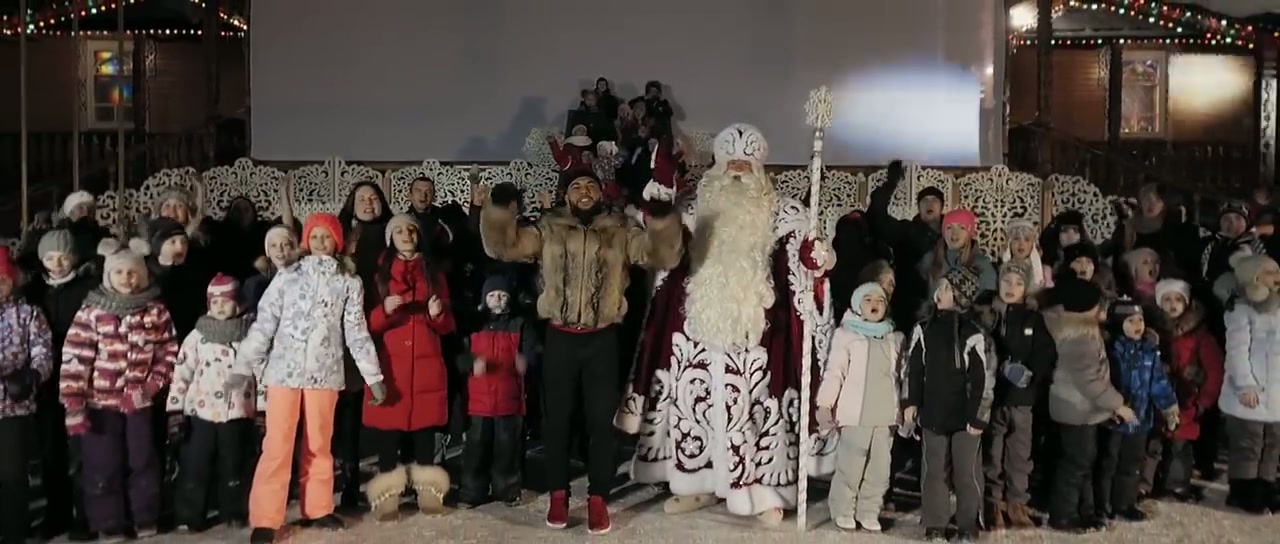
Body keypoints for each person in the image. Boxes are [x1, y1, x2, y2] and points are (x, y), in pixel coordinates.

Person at [616, 123, 836, 526]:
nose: (737, 172)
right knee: (693, 405)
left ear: (760, 170)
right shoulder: (691, 208)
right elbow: (662, 250)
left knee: (753, 413)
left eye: (745, 166)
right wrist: (660, 197)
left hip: (757, 335)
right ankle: (694, 482)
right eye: (730, 164)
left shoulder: (785, 213)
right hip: (697, 331)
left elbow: (805, 270)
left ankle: (765, 492)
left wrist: (816, 261)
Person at [480, 163, 683, 534]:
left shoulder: (620, 228)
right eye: (577, 186)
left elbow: (662, 256)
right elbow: (503, 247)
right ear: (566, 194)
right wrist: (499, 210)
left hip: (602, 341)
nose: (585, 190)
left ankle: (597, 498)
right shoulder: (548, 228)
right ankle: (558, 495)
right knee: (557, 422)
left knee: (601, 424)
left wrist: (661, 221)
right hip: (560, 339)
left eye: (591, 184)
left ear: (600, 192)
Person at [228, 213, 389, 544]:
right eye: (314, 236)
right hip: (283, 372)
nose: (320, 242)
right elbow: (265, 322)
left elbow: (356, 332)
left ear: (337, 242)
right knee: (277, 443)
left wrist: (373, 375)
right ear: (305, 241)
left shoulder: (349, 282)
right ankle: (266, 517)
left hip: (324, 373)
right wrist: (244, 364)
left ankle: (318, 507)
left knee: (319, 443)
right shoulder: (289, 275)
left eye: (326, 237)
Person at [60, 238, 179, 541]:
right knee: (102, 464)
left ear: (144, 274)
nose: (127, 278)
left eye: (133, 272)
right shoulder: (92, 312)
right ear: (108, 276)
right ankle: (108, 521)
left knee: (142, 460)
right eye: (119, 273)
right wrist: (74, 403)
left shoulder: (155, 311)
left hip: (138, 401)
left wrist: (150, 386)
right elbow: (75, 357)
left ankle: (144, 515)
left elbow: (168, 353)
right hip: (99, 404)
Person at [362, 214, 454, 521]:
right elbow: (366, 324)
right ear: (390, 238)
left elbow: (448, 325)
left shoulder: (433, 272)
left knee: (424, 436)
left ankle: (427, 493)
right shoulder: (380, 274)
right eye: (399, 230)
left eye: (411, 229)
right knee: (389, 437)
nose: (406, 234)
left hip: (426, 363)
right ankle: (388, 498)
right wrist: (384, 311)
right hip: (393, 364)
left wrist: (437, 314)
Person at [903, 267, 993, 543]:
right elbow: (913, 370)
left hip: (965, 418)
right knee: (934, 471)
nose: (938, 292)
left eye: (946, 288)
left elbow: (983, 378)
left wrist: (979, 416)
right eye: (939, 287)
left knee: (966, 473)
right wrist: (911, 402)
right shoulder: (923, 329)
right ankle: (935, 524)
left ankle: (968, 524)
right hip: (933, 413)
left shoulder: (973, 333)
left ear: (960, 296)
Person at [165, 274, 257, 531]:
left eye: (226, 301)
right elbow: (182, 373)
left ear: (238, 303)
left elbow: (262, 374)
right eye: (215, 302)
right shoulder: (197, 336)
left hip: (237, 411)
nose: (220, 307)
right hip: (201, 411)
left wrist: (263, 410)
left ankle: (233, 510)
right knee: (196, 464)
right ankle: (190, 514)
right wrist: (175, 409)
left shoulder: (250, 336)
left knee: (234, 464)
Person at [23, 229, 98, 540]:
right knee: (51, 452)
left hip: (81, 380)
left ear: (73, 258)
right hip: (46, 383)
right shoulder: (33, 291)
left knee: (83, 450)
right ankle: (57, 513)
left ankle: (86, 514)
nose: (57, 264)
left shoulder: (88, 289)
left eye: (63, 257)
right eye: (51, 258)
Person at [1044, 277, 1133, 533]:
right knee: (1076, 462)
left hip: (1083, 409)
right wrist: (1117, 405)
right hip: (1076, 409)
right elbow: (1090, 381)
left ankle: (1084, 510)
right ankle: (1063, 514)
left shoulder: (1082, 330)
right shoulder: (1078, 338)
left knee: (1083, 461)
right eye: (1098, 305)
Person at [816, 282, 902, 532]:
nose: (875, 304)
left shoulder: (894, 338)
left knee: (880, 469)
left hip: (884, 415)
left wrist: (904, 408)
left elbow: (900, 374)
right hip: (856, 414)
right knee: (851, 467)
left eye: (880, 300)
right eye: (868, 300)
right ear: (857, 306)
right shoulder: (847, 336)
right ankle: (843, 509)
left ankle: (869, 510)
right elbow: (835, 372)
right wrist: (825, 404)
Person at [977, 262, 1055, 530]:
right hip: (994, 398)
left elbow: (1045, 352)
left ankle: (1016, 503)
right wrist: (999, 367)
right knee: (992, 454)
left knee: (1020, 456)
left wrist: (1031, 373)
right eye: (1006, 281)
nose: (1011, 287)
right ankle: (992, 504)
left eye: (1018, 283)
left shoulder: (1033, 319)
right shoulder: (987, 316)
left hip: (1022, 399)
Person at [456, 275, 537, 509]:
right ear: (484, 299)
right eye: (492, 295)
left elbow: (534, 350)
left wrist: (527, 360)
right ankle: (471, 492)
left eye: (502, 295)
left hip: (509, 401)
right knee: (475, 450)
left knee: (507, 450)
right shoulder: (473, 325)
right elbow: (459, 356)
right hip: (477, 403)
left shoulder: (520, 324)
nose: (497, 300)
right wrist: (470, 363)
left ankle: (507, 490)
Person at [1095, 298, 1178, 522]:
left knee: (1132, 463)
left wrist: (1169, 406)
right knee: (1108, 463)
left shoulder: (1149, 351)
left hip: (1140, 419)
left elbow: (1158, 382)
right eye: (1130, 321)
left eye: (1140, 320)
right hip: (1113, 419)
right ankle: (1103, 504)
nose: (1137, 325)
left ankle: (1125, 503)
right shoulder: (1110, 351)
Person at [1218, 254, 1280, 514]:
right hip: (1249, 392)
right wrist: (1245, 384)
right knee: (1249, 442)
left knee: (1273, 441)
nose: (1277, 278)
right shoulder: (1240, 310)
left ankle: (1266, 484)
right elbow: (1237, 351)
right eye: (1270, 272)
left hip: (1275, 392)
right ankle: (1243, 488)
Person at [0, 246, 54, 544]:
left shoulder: (28, 313)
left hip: (13, 406)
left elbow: (42, 349)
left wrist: (33, 375)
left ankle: (14, 531)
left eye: (2, 280)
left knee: (13, 474)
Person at [1154, 278, 1223, 501]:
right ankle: (1152, 482)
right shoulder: (1152, 332)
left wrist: (1204, 401)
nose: (1172, 304)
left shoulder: (1200, 336)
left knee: (1180, 445)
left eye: (1178, 299)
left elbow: (1214, 370)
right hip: (1157, 401)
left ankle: (1177, 485)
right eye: (1167, 299)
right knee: (1156, 444)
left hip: (1187, 400)